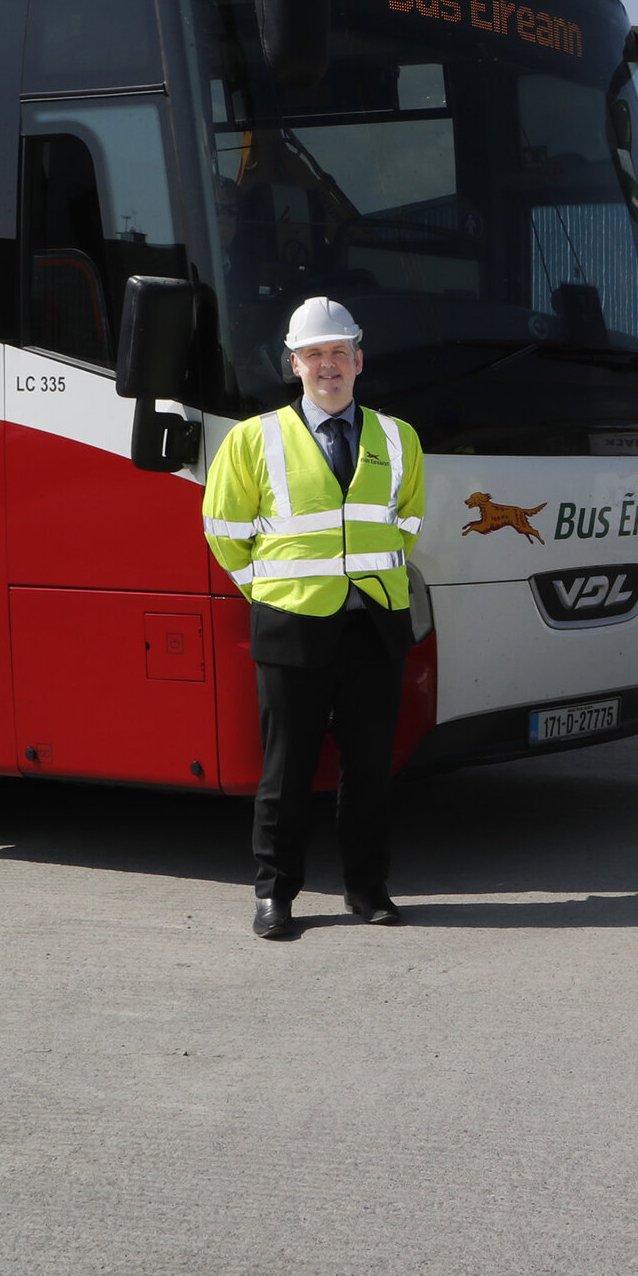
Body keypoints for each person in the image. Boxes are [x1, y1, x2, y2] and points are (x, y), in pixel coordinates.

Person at [202, 297, 425, 940]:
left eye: (338, 353)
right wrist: (269, 594)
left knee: (370, 768)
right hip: (292, 626)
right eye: (314, 355)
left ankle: (368, 889)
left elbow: (406, 522)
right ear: (293, 364)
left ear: (359, 360)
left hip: (375, 623)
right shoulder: (253, 439)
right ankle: (275, 896)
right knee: (286, 767)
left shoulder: (398, 437)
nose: (328, 366)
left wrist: (367, 577)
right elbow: (224, 531)